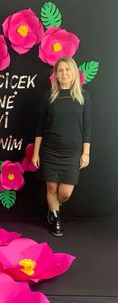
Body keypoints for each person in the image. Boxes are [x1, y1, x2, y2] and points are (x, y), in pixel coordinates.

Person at [32, 56, 91, 237]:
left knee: (64, 192)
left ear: (73, 72)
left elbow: (87, 127)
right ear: (56, 75)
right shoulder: (49, 96)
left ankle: (55, 206)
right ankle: (56, 219)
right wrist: (36, 154)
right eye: (60, 70)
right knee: (51, 188)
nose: (64, 73)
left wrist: (86, 153)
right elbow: (40, 127)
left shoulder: (83, 96)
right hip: (50, 149)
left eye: (67, 69)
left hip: (72, 152)